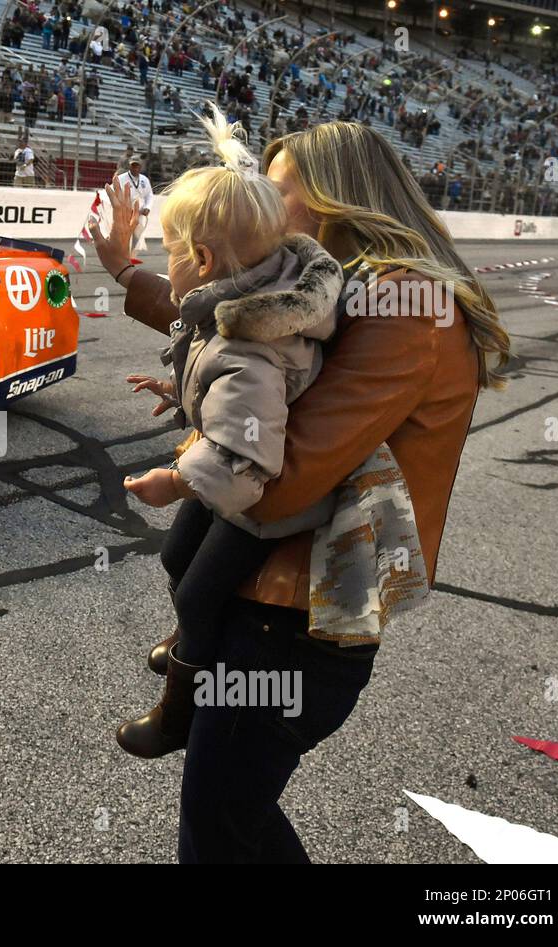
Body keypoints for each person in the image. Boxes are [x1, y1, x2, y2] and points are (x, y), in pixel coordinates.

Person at [92, 120, 511, 863]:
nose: (259, 206)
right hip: (270, 611)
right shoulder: (356, 287)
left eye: (276, 193)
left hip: (293, 625)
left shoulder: (408, 307)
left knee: (219, 827)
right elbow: (246, 323)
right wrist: (129, 271)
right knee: (233, 821)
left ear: (332, 199)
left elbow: (280, 485)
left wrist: (208, 437)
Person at [116, 107, 372, 759]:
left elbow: (252, 414)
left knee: (199, 593)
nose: (267, 201)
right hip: (236, 469)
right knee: (177, 561)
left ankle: (180, 704)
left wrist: (175, 479)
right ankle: (191, 644)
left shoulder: (267, 323)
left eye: (278, 190)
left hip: (260, 493)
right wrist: (180, 392)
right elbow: (216, 360)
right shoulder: (265, 284)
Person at [116, 155, 154, 250]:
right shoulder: (121, 178)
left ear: (140, 167)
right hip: (125, 211)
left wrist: (147, 207)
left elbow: (149, 195)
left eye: (137, 166)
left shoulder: (144, 180)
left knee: (138, 232)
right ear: (129, 166)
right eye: (133, 165)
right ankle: (123, 253)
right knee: (125, 232)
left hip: (140, 211)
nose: (135, 168)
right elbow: (115, 193)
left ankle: (132, 254)